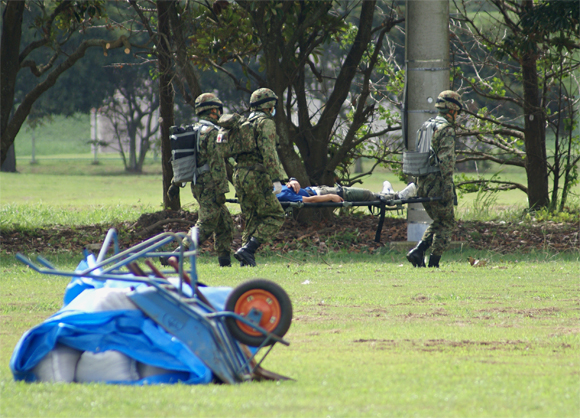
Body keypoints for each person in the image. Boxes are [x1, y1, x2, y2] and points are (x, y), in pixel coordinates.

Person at [167, 93, 234, 267]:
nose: (219, 113)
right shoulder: (211, 133)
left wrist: (174, 183)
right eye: (218, 110)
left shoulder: (193, 130)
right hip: (210, 184)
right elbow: (217, 163)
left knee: (225, 224)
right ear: (213, 110)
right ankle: (176, 255)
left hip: (198, 183)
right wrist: (222, 190)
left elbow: (186, 159)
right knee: (205, 225)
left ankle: (225, 263)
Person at [230, 88, 286, 267]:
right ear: (269, 106)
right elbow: (269, 152)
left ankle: (245, 261)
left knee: (252, 217)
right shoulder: (265, 123)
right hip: (256, 175)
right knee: (276, 215)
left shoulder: (244, 123)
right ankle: (249, 249)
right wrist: (277, 178)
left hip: (239, 174)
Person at [406, 90, 462, 268]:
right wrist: (447, 188)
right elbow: (446, 162)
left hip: (423, 182)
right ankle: (433, 262)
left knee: (440, 221)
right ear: (453, 109)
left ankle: (419, 251)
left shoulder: (427, 125)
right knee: (447, 223)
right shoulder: (445, 129)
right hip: (438, 183)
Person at [276, 179, 416, 203]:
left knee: (367, 195)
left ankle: (387, 194)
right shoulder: (280, 195)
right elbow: (308, 201)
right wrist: (331, 196)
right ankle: (397, 196)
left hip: (316, 189)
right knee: (365, 195)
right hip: (321, 194)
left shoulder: (273, 187)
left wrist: (293, 180)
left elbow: (286, 183)